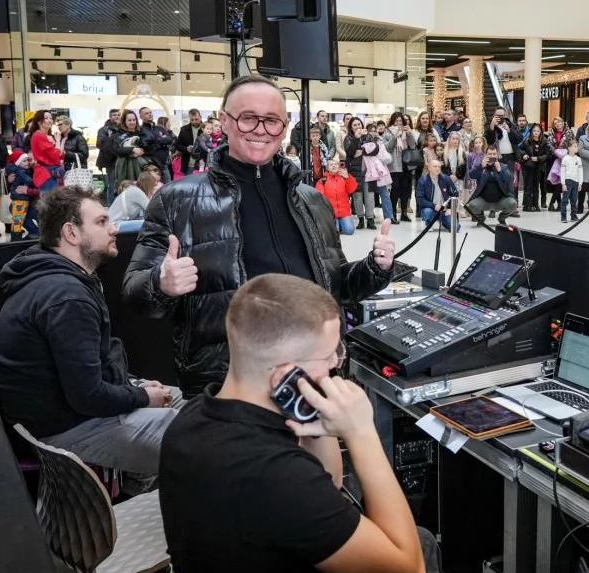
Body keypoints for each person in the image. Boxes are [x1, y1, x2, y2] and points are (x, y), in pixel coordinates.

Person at [159, 274, 433, 573]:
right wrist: (362, 434)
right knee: (423, 554)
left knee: (423, 539)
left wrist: (312, 425)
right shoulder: (273, 475)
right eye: (331, 355)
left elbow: (328, 484)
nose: (337, 364)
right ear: (288, 376)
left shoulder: (191, 421)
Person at [123, 76, 396, 397]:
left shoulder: (312, 201)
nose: (261, 130)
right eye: (248, 118)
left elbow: (337, 288)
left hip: (313, 379)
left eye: (272, 121)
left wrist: (376, 267)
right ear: (224, 121)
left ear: (284, 126)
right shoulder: (176, 200)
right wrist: (161, 283)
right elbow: (134, 294)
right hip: (228, 384)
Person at [0, 186, 182, 477]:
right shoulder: (66, 296)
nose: (114, 228)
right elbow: (87, 396)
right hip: (66, 429)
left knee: (198, 407)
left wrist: (135, 389)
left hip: (70, 413)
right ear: (71, 233)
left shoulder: (59, 279)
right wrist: (141, 397)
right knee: (206, 439)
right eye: (102, 222)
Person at [464, 145, 520, 227]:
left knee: (513, 203)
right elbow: (471, 175)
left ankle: (502, 218)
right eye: (490, 154)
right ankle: (481, 218)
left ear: (497, 155)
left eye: (494, 154)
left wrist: (500, 170)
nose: (492, 156)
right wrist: (481, 167)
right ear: (486, 155)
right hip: (484, 200)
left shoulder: (503, 166)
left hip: (500, 201)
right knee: (471, 205)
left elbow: (509, 179)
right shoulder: (481, 165)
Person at [416, 157, 460, 232]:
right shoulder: (423, 180)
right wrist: (434, 206)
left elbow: (455, 194)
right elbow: (420, 199)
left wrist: (450, 208)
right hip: (431, 209)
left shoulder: (446, 179)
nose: (437, 168)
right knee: (427, 212)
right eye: (435, 166)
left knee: (456, 228)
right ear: (429, 168)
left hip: (445, 210)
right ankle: (428, 222)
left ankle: (444, 222)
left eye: (439, 167)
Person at [317, 158, 359, 236]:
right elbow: (319, 196)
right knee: (334, 233)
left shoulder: (344, 177)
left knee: (349, 230)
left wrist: (348, 177)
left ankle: (340, 225)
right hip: (331, 213)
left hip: (344, 212)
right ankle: (337, 225)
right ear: (327, 168)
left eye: (336, 164)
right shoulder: (322, 180)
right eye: (331, 165)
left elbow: (352, 189)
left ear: (339, 166)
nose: (334, 166)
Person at [138, 107, 177, 179]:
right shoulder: (140, 130)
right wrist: (161, 140)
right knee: (152, 188)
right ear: (141, 117)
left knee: (167, 186)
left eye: (150, 112)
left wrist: (156, 141)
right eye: (146, 113)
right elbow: (145, 146)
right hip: (150, 166)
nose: (150, 114)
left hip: (163, 164)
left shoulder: (159, 128)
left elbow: (170, 139)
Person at [519, 125, 551, 212]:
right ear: (531, 132)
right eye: (534, 131)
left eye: (538, 131)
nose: (536, 133)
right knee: (528, 186)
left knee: (536, 186)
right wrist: (523, 155)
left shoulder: (544, 141)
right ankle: (527, 205)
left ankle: (535, 204)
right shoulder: (527, 141)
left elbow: (547, 155)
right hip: (529, 166)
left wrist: (538, 158)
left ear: (541, 132)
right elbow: (520, 150)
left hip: (539, 167)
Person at [95, 109, 124, 204]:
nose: (117, 117)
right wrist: (113, 140)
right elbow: (100, 144)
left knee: (123, 185)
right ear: (110, 117)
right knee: (112, 186)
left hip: (123, 161)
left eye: (119, 115)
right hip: (111, 162)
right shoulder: (103, 130)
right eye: (114, 115)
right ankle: (112, 207)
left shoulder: (123, 129)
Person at [175, 109, 206, 176]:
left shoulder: (206, 129)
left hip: (202, 165)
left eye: (196, 119)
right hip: (188, 164)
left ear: (200, 117)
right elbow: (177, 145)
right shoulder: (184, 130)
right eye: (192, 120)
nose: (194, 121)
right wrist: (187, 149)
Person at [559, 140, 583, 223]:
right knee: (565, 200)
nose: (576, 148)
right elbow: (562, 172)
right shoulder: (565, 159)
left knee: (574, 200)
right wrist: (563, 183)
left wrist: (580, 183)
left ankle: (573, 216)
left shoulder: (578, 159)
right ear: (569, 148)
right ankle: (563, 216)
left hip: (576, 182)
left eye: (577, 146)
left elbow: (580, 172)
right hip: (567, 182)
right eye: (574, 146)